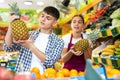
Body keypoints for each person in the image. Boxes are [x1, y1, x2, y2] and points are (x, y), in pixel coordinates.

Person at [3, 6, 64, 74]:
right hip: (24, 76)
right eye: (42, 16)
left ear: (54, 23)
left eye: (48, 18)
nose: (43, 19)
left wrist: (31, 46)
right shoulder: (28, 35)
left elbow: (50, 61)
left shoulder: (59, 41)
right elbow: (8, 47)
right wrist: (11, 25)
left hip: (43, 77)